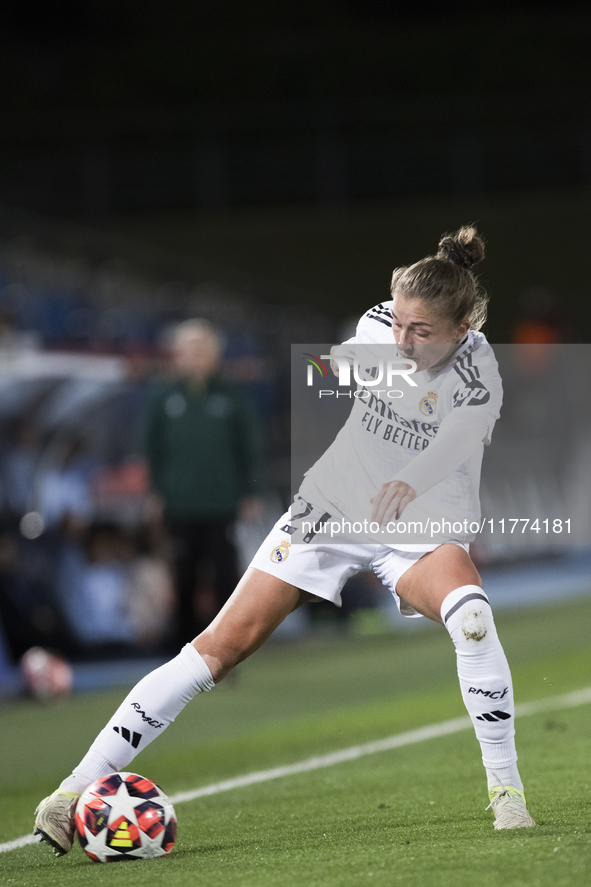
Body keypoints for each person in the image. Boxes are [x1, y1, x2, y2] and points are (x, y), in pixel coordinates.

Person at [34, 226, 534, 858]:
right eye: (399, 323)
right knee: (220, 645)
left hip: (420, 521)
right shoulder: (381, 325)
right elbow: (344, 365)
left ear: (462, 330)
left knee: (474, 620)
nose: (404, 339)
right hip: (333, 505)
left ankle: (506, 793)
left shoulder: (481, 370)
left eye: (421, 331)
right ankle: (69, 792)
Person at [144, 319, 262, 644]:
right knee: (184, 576)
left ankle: (228, 645)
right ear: (177, 355)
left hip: (222, 502)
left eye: (201, 349)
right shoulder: (164, 397)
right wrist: (155, 493)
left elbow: (248, 447)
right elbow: (150, 449)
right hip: (179, 503)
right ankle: (183, 648)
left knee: (226, 576)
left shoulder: (230, 397)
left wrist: (249, 492)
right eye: (188, 350)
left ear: (215, 355)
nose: (195, 356)